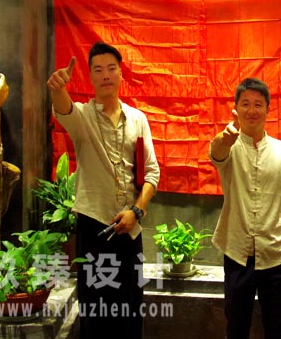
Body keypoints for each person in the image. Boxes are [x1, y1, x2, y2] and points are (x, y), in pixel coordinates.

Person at [47, 41, 160, 338]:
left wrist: (136, 211)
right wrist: (58, 88)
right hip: (93, 226)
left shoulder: (138, 119)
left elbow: (152, 172)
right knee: (96, 312)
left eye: (111, 68)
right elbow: (64, 109)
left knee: (130, 309)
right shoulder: (82, 116)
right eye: (98, 70)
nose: (106, 75)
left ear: (121, 73)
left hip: (130, 227)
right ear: (91, 76)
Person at [209, 77, 281, 339]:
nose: (251, 110)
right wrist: (225, 137)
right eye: (245, 104)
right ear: (236, 109)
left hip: (275, 256)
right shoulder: (229, 146)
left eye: (258, 104)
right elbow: (216, 152)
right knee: (236, 328)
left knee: (277, 330)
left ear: (267, 109)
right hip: (237, 255)